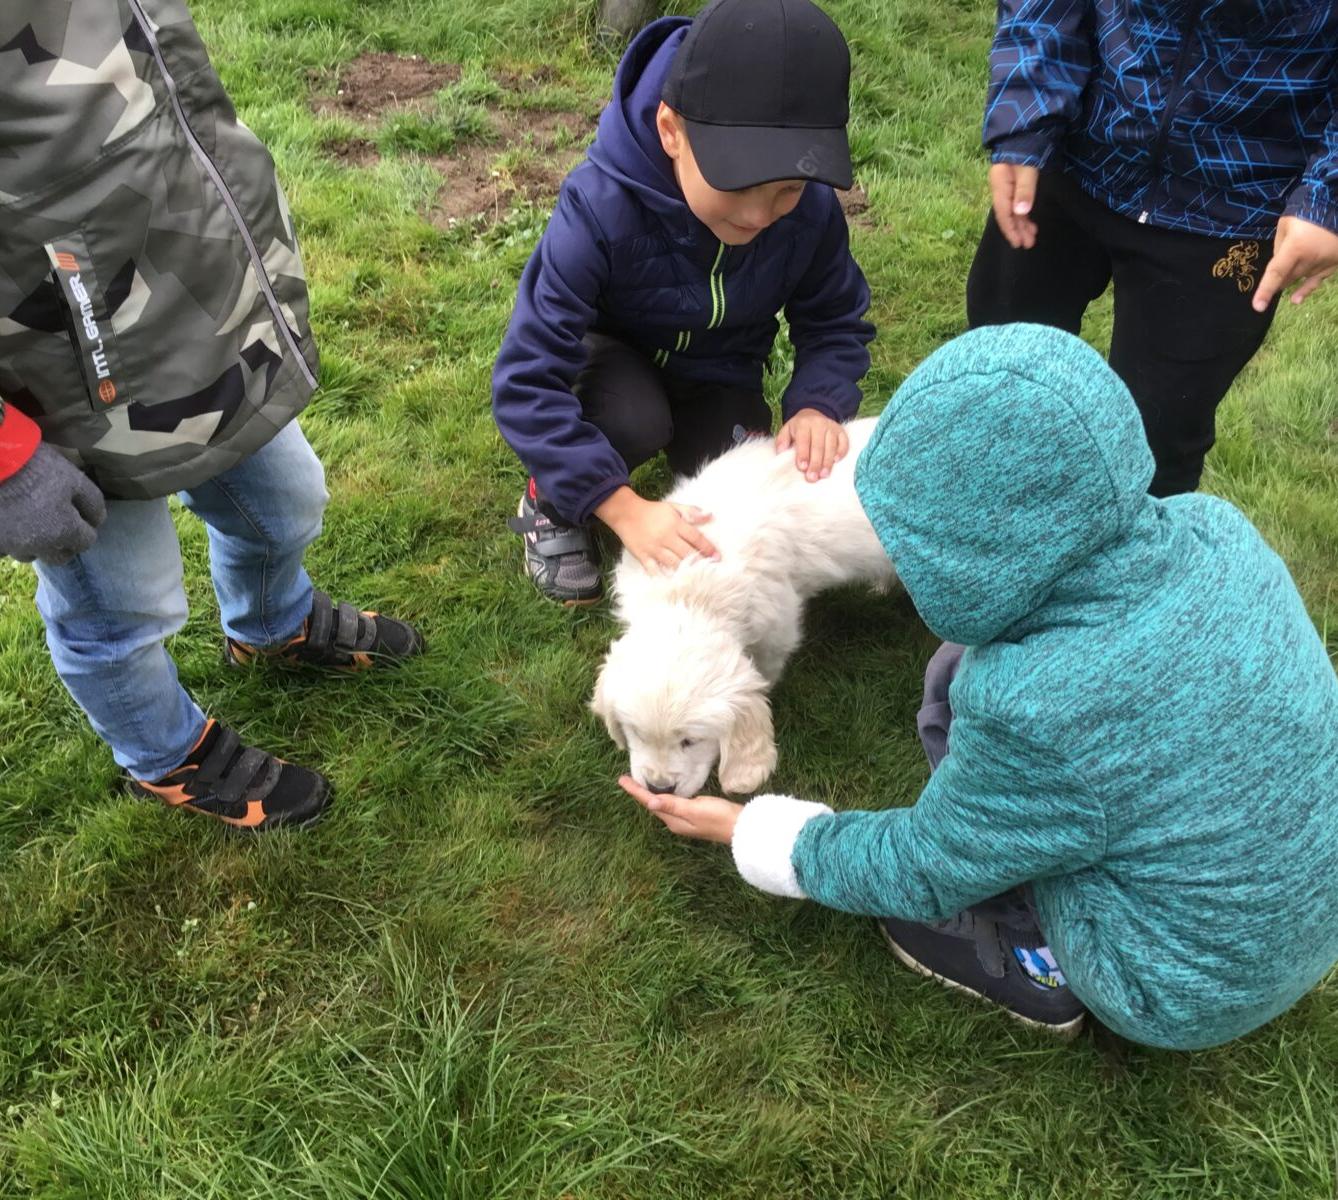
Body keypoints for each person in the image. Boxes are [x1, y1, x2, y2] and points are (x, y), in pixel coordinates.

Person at [622, 323, 1338, 1049]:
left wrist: (754, 830)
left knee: (979, 835)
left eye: (910, 548)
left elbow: (924, 865)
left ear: (974, 558)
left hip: (1175, 981)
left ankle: (1037, 966)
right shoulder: (1216, 531)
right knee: (957, 677)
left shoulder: (1038, 710)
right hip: (1307, 897)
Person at [0, 1, 422, 832]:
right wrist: (7, 462)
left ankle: (269, 626)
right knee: (119, 608)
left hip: (194, 315)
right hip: (48, 380)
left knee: (286, 501)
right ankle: (165, 755)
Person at [493, 0, 874, 605]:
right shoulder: (597, 207)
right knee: (635, 419)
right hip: (614, 365)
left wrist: (818, 404)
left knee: (738, 472)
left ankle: (675, 452)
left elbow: (834, 319)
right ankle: (555, 503)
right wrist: (620, 507)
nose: (757, 215)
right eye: (737, 185)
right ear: (671, 131)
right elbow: (525, 380)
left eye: (787, 191)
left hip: (721, 370)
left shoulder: (812, 212)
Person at [968, 1, 1338, 497]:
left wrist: (1327, 197)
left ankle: (1128, 569)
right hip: (1078, 151)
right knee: (998, 369)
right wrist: (1026, 117)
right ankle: (986, 521)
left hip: (1236, 203)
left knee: (1155, 445)